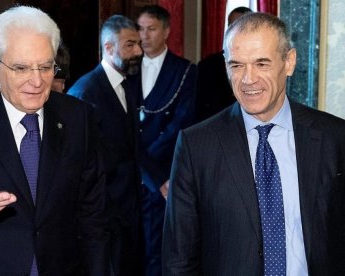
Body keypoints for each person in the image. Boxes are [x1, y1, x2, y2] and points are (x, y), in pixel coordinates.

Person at [163, 12, 345, 275]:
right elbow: (179, 259)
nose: (248, 79)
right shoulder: (196, 146)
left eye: (262, 64)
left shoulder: (334, 137)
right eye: (237, 65)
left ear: (289, 62)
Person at [0, 6, 108, 275]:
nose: (36, 81)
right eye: (22, 68)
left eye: (46, 66)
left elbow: (93, 217)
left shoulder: (79, 117)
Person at [68, 15, 143, 276]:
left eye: (139, 44)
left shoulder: (128, 84)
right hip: (102, 219)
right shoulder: (85, 92)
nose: (139, 52)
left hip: (128, 214)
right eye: (130, 45)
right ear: (109, 48)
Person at [132, 5, 196, 276]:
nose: (144, 36)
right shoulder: (128, 67)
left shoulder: (185, 70)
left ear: (167, 31)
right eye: (140, 29)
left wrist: (155, 173)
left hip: (165, 175)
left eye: (151, 29)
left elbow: (181, 123)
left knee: (158, 247)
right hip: (130, 173)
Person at [195, 6, 252, 122]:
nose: (236, 32)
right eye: (232, 26)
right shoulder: (207, 65)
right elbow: (198, 109)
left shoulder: (264, 64)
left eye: (242, 27)